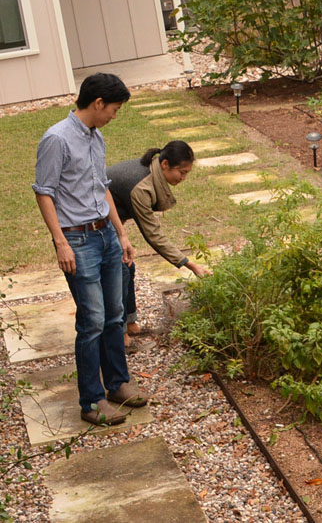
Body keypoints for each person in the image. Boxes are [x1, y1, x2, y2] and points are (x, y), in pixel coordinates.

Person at [33, 73, 148, 426]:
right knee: (93, 320)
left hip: (106, 236)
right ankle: (91, 401)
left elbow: (104, 189)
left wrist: (122, 234)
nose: (116, 114)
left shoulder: (97, 138)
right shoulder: (56, 139)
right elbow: (44, 191)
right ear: (98, 103)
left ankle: (116, 385)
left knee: (115, 314)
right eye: (114, 108)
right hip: (77, 241)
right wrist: (60, 242)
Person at [107, 140, 211, 345]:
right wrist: (189, 264)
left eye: (187, 173)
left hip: (110, 221)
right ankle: (120, 335)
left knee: (128, 266)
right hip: (91, 223)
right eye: (182, 172)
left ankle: (130, 322)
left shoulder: (151, 172)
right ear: (164, 164)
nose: (183, 178)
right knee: (119, 271)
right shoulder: (141, 186)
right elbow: (153, 235)